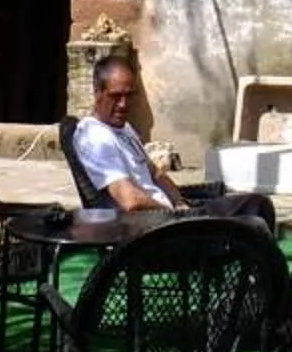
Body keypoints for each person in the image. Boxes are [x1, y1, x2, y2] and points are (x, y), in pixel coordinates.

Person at [73, 53, 276, 229]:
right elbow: (130, 201)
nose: (123, 104)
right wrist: (175, 214)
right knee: (253, 213)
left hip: (172, 217)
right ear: (97, 93)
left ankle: (260, 271)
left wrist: (179, 202)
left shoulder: (123, 128)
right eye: (115, 96)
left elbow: (155, 172)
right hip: (151, 228)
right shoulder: (94, 136)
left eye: (129, 96)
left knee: (257, 206)